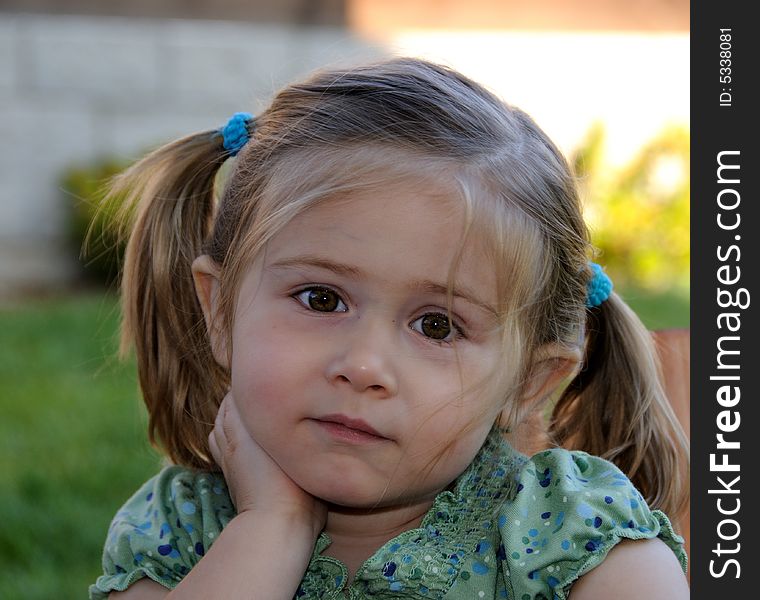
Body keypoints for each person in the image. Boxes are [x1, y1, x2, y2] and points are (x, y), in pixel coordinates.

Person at [89, 57, 689, 600]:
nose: (365, 364)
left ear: (528, 382)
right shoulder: (176, 530)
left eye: (437, 326)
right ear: (220, 310)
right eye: (321, 298)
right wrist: (271, 526)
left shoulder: (576, 542)